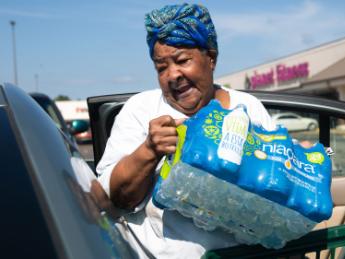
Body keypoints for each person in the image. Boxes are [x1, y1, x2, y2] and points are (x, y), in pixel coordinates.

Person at [96, 3, 275, 258]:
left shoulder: (248, 108)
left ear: (211, 58)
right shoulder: (141, 110)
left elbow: (273, 191)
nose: (172, 75)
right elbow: (111, 199)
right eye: (161, 67)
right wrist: (149, 150)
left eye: (182, 60)